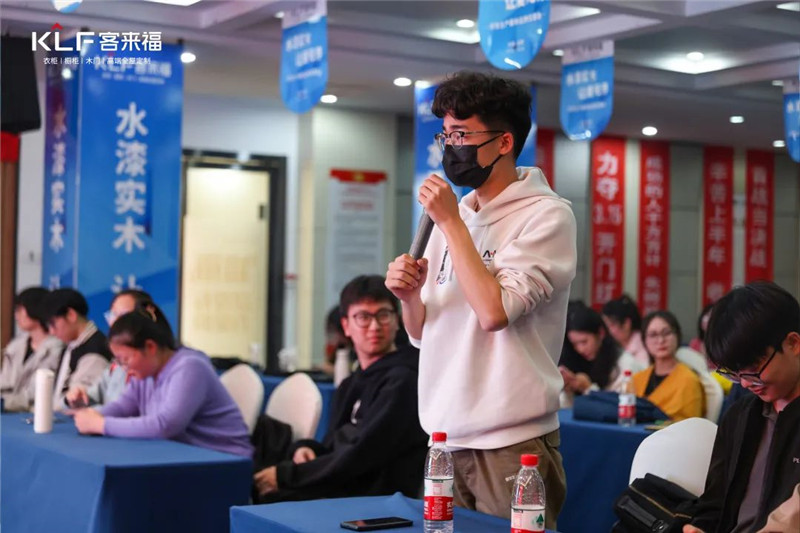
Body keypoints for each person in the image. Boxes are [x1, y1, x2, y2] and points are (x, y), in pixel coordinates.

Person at [385, 71, 576, 526]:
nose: (451, 147)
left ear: (504, 142)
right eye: (446, 135)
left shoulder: (546, 215)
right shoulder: (453, 216)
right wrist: (409, 298)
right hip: (444, 436)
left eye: (462, 135)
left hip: (512, 442)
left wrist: (452, 224)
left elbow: (495, 312)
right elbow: (423, 334)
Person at [253, 275, 428, 502]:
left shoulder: (403, 381)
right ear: (346, 325)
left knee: (269, 493)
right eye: (363, 317)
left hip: (373, 497)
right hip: (342, 483)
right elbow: (334, 445)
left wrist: (287, 476)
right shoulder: (351, 383)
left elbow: (363, 454)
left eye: (383, 315)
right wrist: (308, 449)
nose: (374, 326)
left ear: (397, 320)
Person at [684, 281, 800, 533]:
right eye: (735, 373)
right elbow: (714, 503)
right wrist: (699, 528)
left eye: (754, 368)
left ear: (793, 344)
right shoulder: (740, 415)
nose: (746, 383)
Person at [71, 305, 252, 458]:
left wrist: (101, 425)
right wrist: (93, 415)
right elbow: (124, 406)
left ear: (150, 347)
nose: (124, 368)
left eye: (126, 360)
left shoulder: (190, 367)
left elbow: (165, 425)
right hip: (185, 457)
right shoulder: (145, 373)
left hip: (223, 460)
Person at [65, 289, 161, 408]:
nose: (115, 322)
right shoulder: (116, 365)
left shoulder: (153, 364)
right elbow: (95, 396)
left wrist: (96, 414)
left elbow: (129, 411)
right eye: (113, 315)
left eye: (123, 315)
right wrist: (76, 397)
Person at [43, 288, 111, 410]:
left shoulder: (95, 351)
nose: (52, 331)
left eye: (53, 323)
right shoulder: (72, 345)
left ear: (71, 315)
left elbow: (77, 399)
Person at [633, 310, 704, 421]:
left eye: (666, 333)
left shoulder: (689, 380)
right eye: (653, 335)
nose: (661, 340)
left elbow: (690, 425)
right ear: (644, 340)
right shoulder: (637, 379)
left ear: (677, 336)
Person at [0, 287, 63, 411]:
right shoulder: (15, 346)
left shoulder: (57, 349)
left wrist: (4, 403)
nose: (16, 315)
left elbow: (36, 393)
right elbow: (4, 382)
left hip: (36, 414)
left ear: (35, 308)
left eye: (19, 310)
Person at [560, 303, 643, 397]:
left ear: (601, 333)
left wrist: (587, 387)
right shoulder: (576, 360)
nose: (580, 349)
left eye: (584, 342)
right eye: (574, 344)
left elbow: (618, 403)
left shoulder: (625, 365)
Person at [601, 294, 648, 366]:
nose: (609, 331)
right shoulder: (613, 346)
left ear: (627, 323)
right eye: (607, 326)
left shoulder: (644, 346)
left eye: (612, 325)